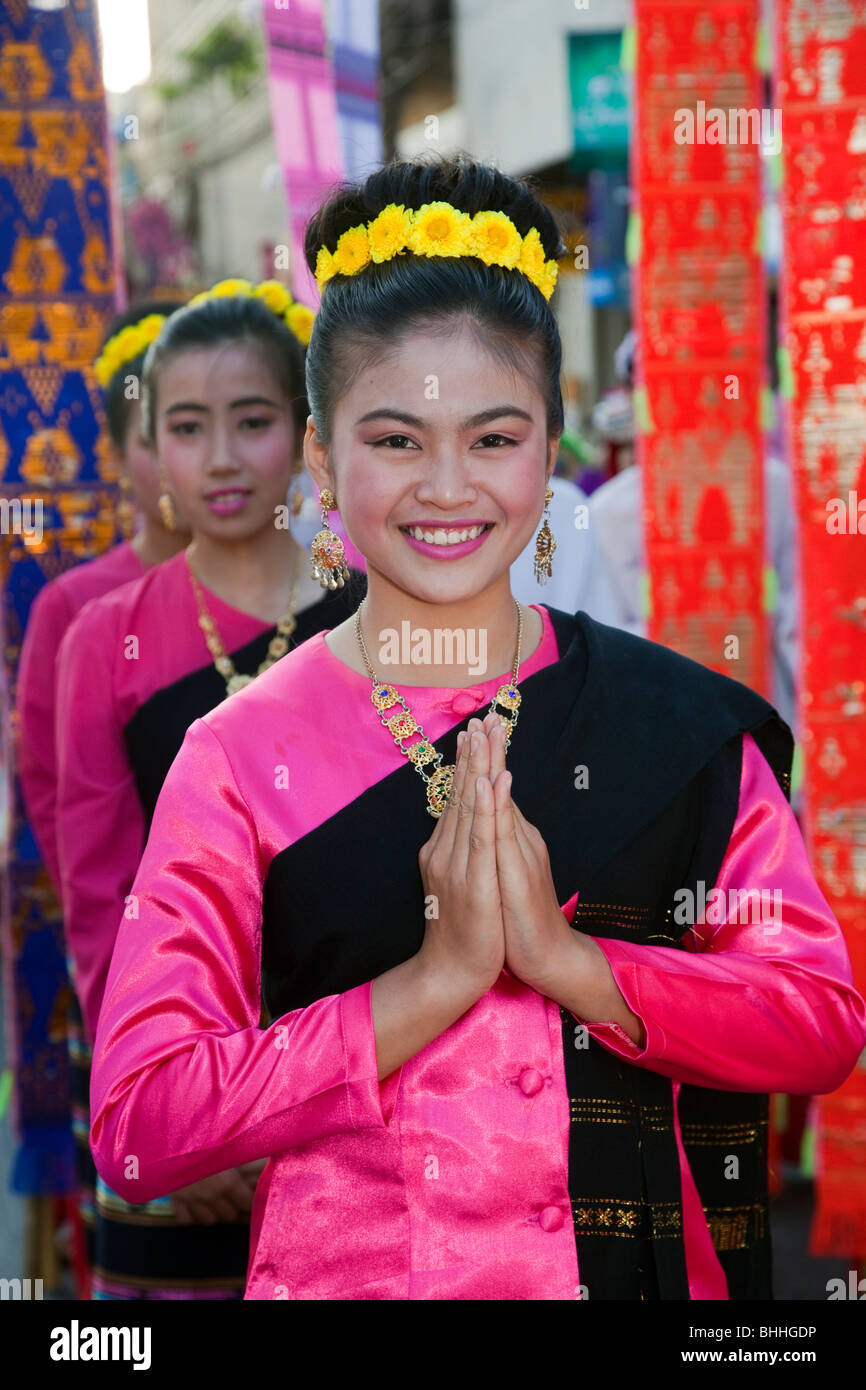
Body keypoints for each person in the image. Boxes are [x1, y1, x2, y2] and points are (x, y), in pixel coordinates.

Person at [89, 156, 865, 1300]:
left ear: (550, 455)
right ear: (320, 458)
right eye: (396, 440)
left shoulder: (676, 723)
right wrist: (431, 983)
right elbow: (140, 1117)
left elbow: (816, 1021)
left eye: (493, 440)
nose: (446, 487)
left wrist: (573, 965)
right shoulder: (239, 754)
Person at [55, 280, 362, 1300]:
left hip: (360, 1081)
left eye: (253, 421)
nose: (223, 458)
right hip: (185, 1078)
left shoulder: (380, 605)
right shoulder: (106, 637)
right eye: (187, 427)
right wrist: (168, 1108)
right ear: (151, 447)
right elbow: (102, 902)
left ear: (306, 435)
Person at [16, 300, 190, 1293]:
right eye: (169, 431)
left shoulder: (320, 602)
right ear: (129, 450)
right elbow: (58, 809)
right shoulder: (76, 611)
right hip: (133, 968)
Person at [17, 300, 188, 894]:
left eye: (192, 426)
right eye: (154, 434)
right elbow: (56, 797)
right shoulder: (74, 611)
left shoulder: (322, 599)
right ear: (114, 456)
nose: (181, 459)